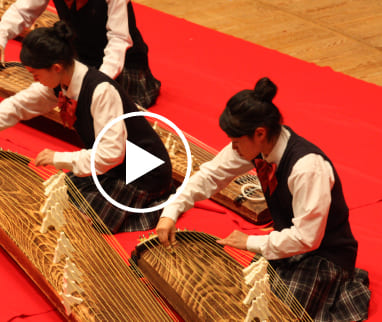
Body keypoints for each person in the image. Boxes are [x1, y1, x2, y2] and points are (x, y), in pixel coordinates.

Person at [156, 77, 371, 321]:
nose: (232, 148)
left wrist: (250, 241)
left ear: (259, 133)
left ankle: (341, 285)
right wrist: (171, 211)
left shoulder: (307, 168)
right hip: (286, 243)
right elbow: (210, 176)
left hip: (325, 255)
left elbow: (307, 238)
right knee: (244, 299)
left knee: (276, 313)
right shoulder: (258, 147)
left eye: (235, 142)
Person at [0, 21, 173, 233]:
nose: (35, 80)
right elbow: (16, 106)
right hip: (114, 166)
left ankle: (161, 202)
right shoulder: (61, 82)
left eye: (36, 75)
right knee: (57, 196)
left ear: (56, 68)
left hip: (143, 173)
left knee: (80, 221)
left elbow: (112, 154)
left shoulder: (101, 91)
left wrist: (58, 158)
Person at [0, 0, 161, 108]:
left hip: (123, 63)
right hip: (79, 56)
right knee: (48, 73)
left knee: (102, 103)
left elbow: (119, 40)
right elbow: (23, 10)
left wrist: (96, 81)